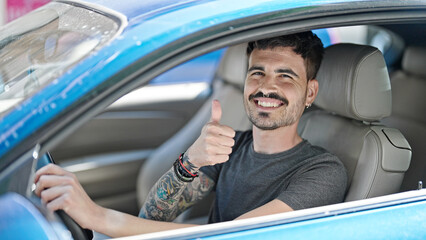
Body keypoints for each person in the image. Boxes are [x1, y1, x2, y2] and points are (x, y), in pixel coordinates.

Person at [34, 31, 347, 237]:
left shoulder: (323, 171)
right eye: (257, 72)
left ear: (310, 93)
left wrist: (96, 216)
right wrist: (191, 160)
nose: (267, 86)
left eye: (285, 76)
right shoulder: (232, 145)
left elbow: (230, 237)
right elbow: (155, 213)